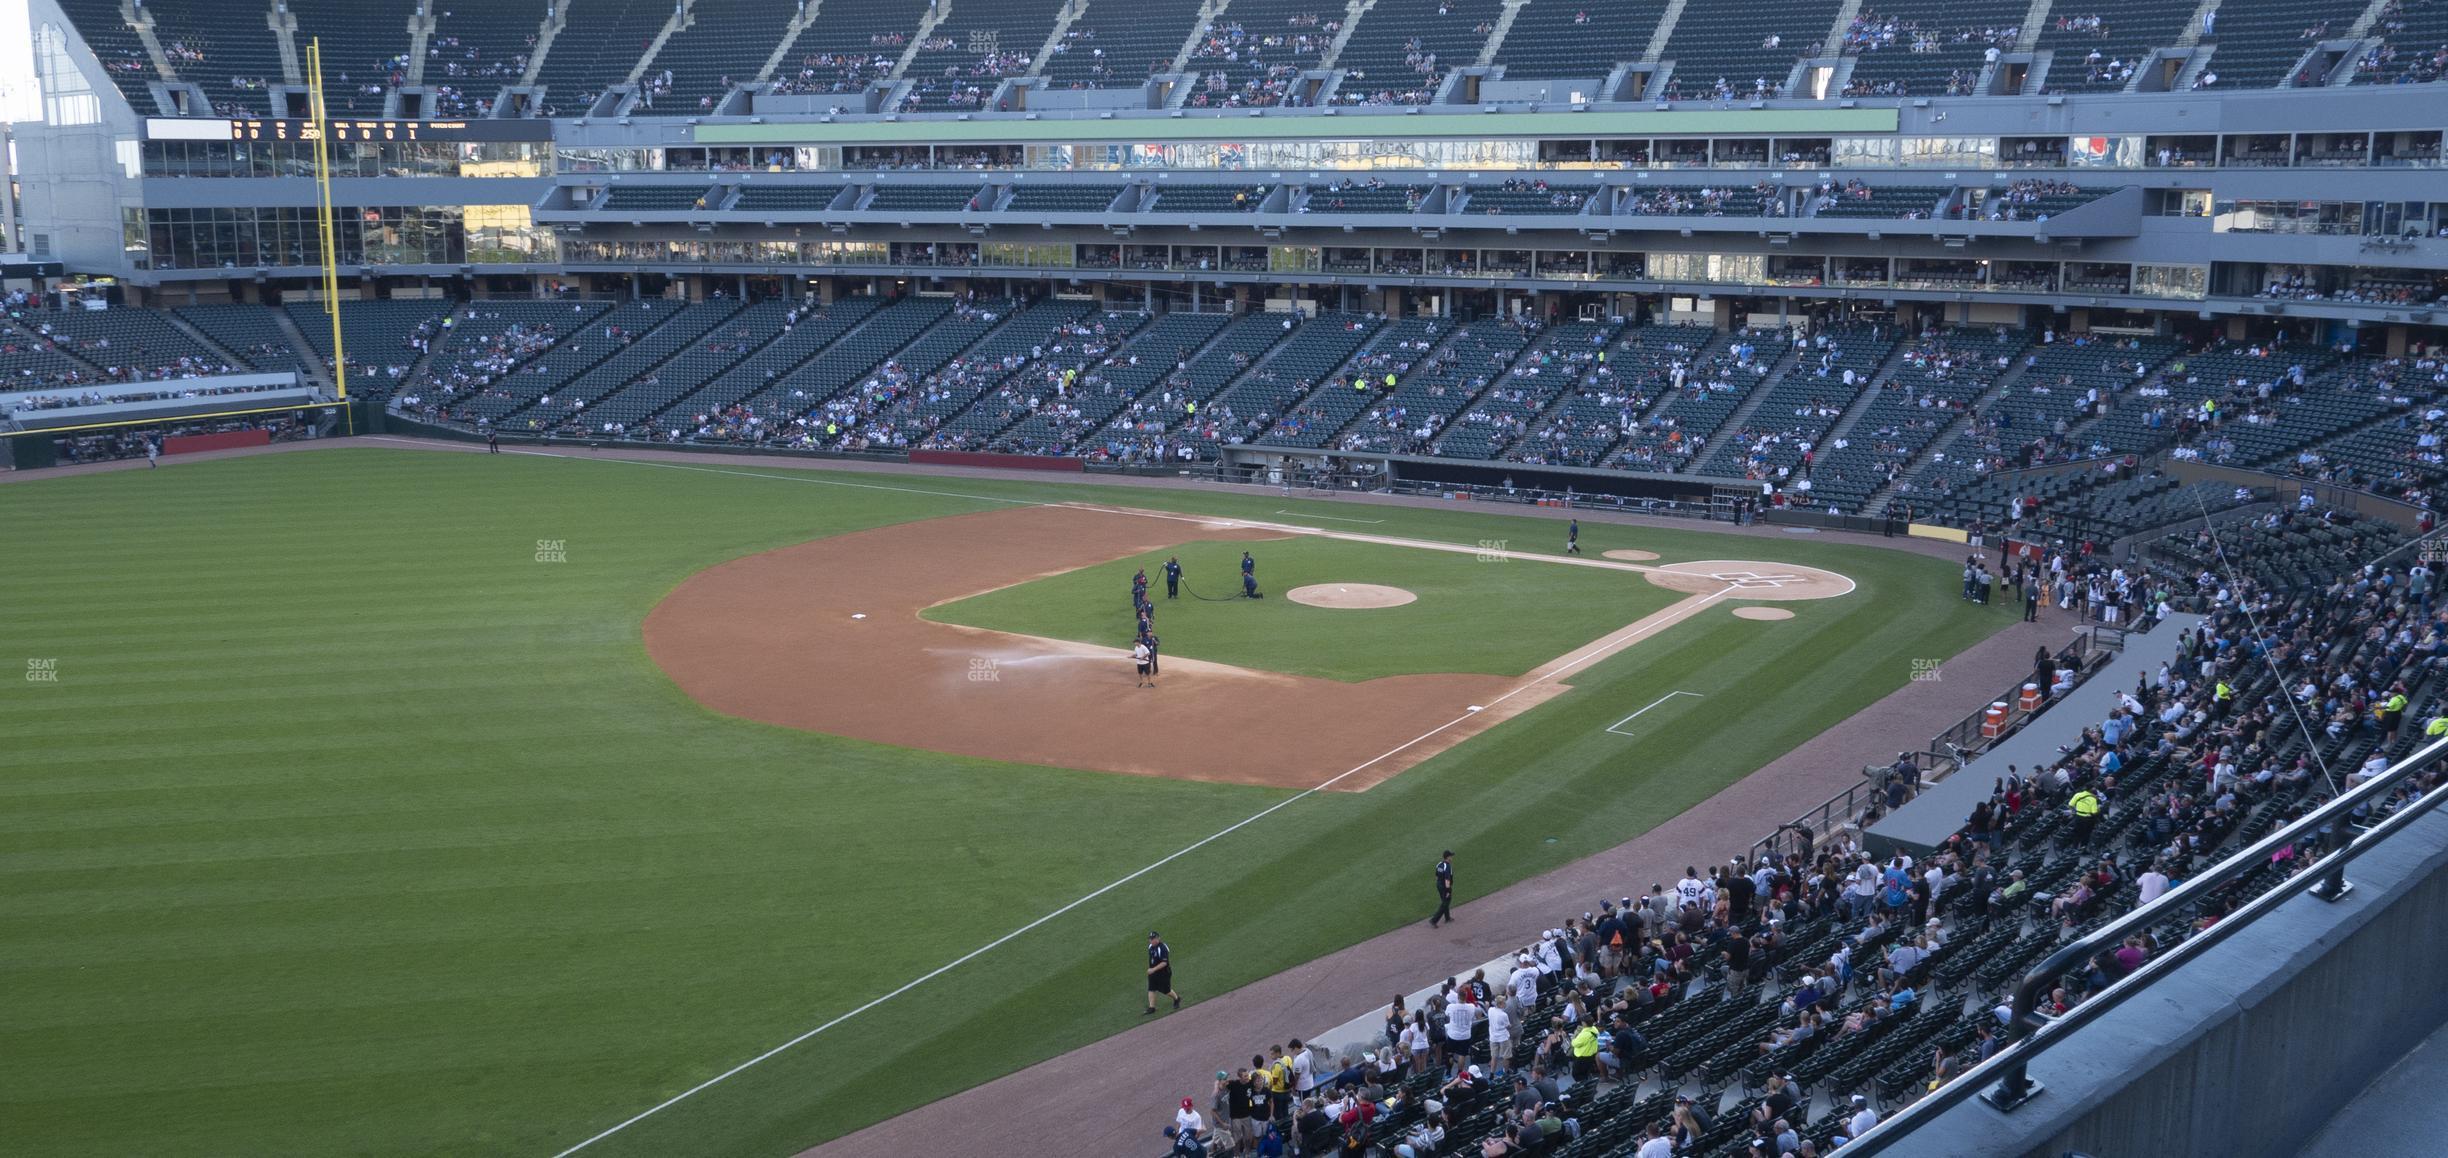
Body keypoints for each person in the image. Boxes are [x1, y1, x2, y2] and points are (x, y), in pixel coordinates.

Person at [1147, 931, 1180, 1013]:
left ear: (1158, 938)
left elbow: (1164, 963)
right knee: (1151, 989)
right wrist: (1151, 970)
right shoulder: (1150, 946)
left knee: (1166, 990)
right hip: (1153, 973)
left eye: (1153, 939)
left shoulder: (1162, 948)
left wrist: (1153, 969)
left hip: (1163, 973)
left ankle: (1177, 999)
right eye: (1150, 939)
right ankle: (1152, 1008)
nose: (1151, 941)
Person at [1430, 850, 1456, 927]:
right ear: (1447, 857)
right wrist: (1448, 891)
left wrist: (1439, 884)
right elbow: (1447, 880)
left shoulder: (1439, 864)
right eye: (1451, 856)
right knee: (1445, 903)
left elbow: (1436, 876)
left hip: (1439, 885)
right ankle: (1434, 920)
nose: (1452, 857)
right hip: (1445, 886)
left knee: (1444, 901)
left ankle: (1447, 918)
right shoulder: (1447, 866)